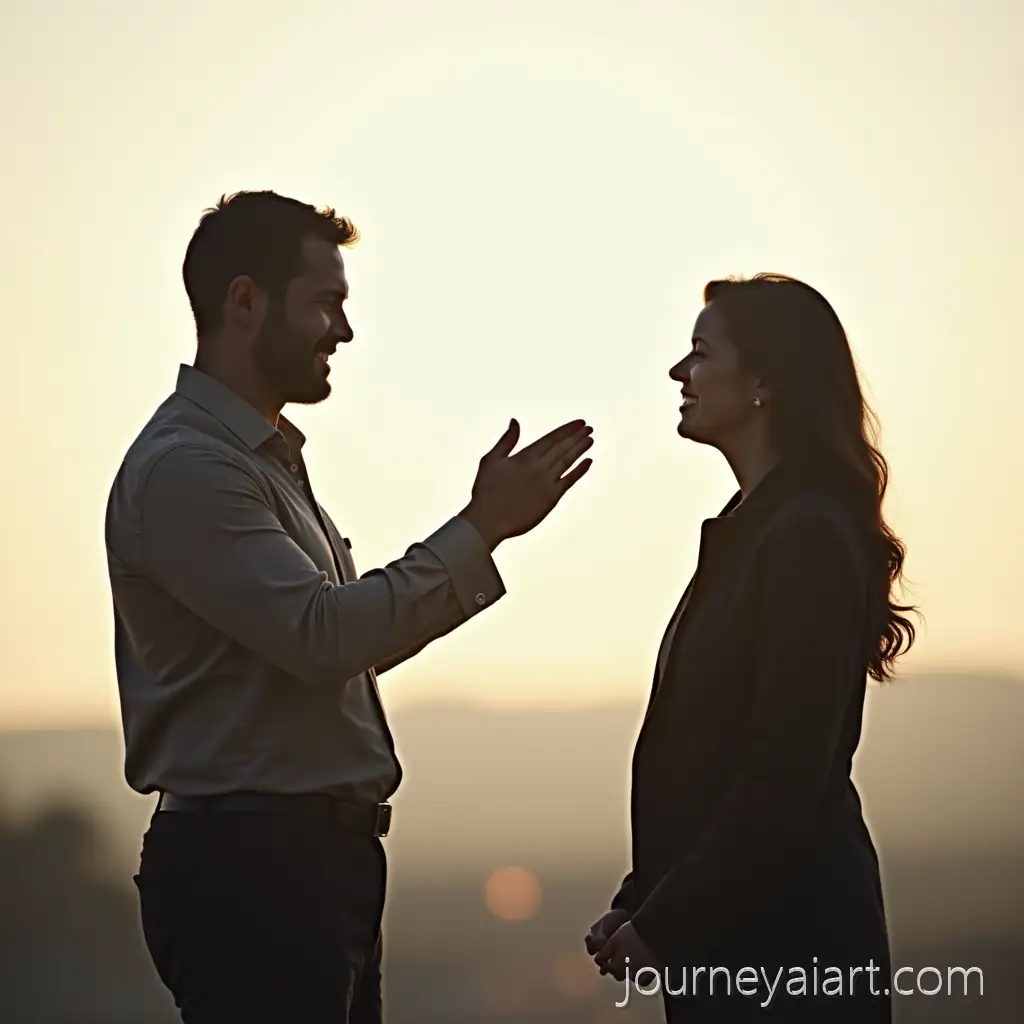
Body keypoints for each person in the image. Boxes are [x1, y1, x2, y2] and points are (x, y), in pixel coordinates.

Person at [104, 189, 594, 1024]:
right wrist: (482, 529)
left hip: (302, 867)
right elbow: (325, 637)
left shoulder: (256, 460)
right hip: (254, 873)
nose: (344, 330)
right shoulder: (190, 469)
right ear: (246, 301)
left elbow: (333, 645)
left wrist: (484, 535)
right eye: (326, 302)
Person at [585, 274, 917, 1021]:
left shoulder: (803, 536)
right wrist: (642, 902)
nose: (679, 373)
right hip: (734, 946)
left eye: (701, 353)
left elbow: (784, 776)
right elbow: (712, 757)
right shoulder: (751, 530)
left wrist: (665, 923)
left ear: (765, 380)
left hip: (785, 955)